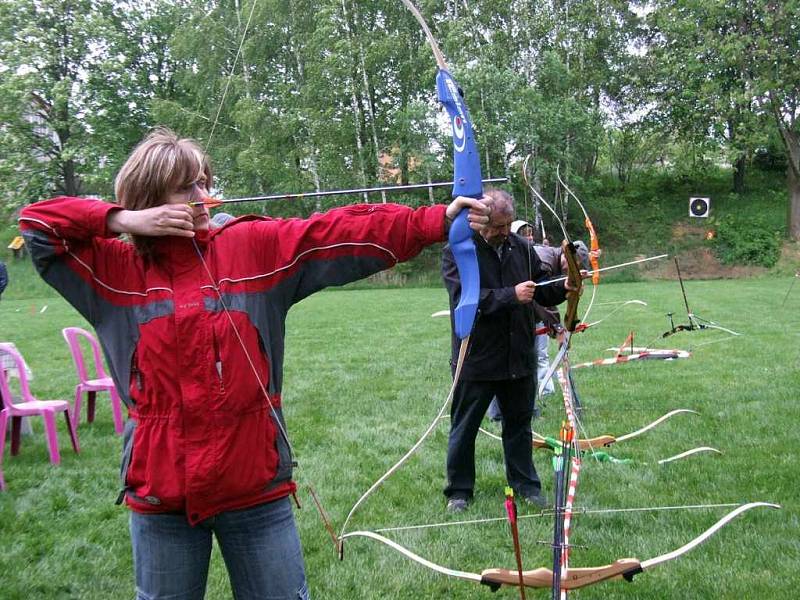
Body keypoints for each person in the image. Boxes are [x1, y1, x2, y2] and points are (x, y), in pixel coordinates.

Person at [19, 128, 491, 600]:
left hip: (255, 485)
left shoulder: (252, 246)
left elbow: (333, 232)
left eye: (205, 182)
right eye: (187, 188)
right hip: (161, 492)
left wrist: (437, 220)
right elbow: (38, 225)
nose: (204, 196)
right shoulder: (112, 270)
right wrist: (123, 220)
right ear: (149, 199)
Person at [442, 189, 570, 513]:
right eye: (499, 226)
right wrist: (511, 295)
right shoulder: (459, 251)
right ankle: (459, 491)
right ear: (480, 222)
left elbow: (542, 290)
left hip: (517, 356)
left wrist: (566, 286)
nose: (504, 231)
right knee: (464, 427)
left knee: (519, 425)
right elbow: (465, 301)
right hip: (477, 357)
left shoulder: (521, 248)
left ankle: (526, 485)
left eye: (508, 224)